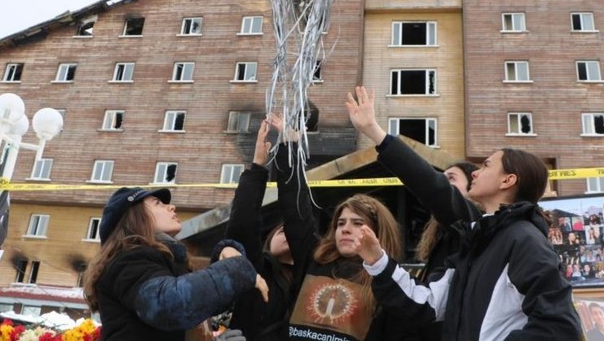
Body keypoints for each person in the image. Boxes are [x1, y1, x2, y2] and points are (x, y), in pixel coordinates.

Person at [345, 85, 582, 340]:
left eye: (487, 165)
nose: (476, 173)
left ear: (507, 181)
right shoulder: (474, 241)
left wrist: (375, 132)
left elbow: (560, 328)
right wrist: (377, 260)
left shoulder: (523, 239)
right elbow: (425, 305)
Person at [268, 115, 411, 341]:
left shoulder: (389, 283)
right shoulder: (314, 258)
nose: (345, 229)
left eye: (358, 223)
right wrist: (290, 148)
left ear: (377, 232)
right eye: (341, 223)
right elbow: (296, 210)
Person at [83, 186, 267, 341]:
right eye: (158, 203)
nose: (172, 207)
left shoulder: (167, 263)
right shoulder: (126, 261)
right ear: (135, 218)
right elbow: (168, 305)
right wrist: (233, 270)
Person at [219, 119, 295, 340]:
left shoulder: (309, 276)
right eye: (281, 232)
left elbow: (299, 216)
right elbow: (243, 223)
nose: (288, 233)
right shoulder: (255, 269)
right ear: (267, 242)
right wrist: (257, 167)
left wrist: (291, 151)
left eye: (291, 232)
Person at [412, 161, 478, 341]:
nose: (443, 182)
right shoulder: (443, 237)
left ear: (473, 187)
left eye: (451, 178)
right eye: (442, 178)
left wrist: (381, 139)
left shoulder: (474, 224)